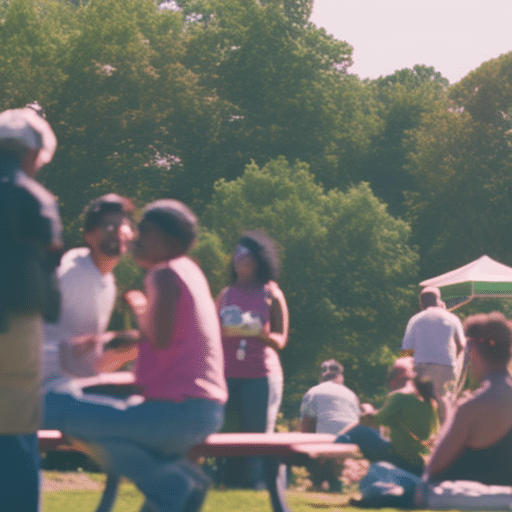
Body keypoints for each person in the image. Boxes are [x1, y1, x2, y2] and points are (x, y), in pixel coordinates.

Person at [44, 199, 228, 512]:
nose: (135, 237)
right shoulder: (190, 272)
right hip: (199, 411)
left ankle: (170, 481)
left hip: (177, 415)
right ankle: (181, 481)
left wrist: (111, 336)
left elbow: (157, 338)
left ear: (173, 242)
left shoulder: (164, 275)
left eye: (145, 231)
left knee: (54, 406)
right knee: (107, 434)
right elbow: (167, 350)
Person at [0, 107, 63, 511]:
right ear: (31, 152)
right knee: (17, 431)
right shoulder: (34, 198)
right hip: (17, 327)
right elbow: (49, 266)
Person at [42, 193, 136, 394]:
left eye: (123, 225)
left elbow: (87, 354)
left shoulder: (107, 281)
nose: (118, 230)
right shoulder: (72, 273)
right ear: (89, 236)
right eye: (109, 225)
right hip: (47, 385)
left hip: (74, 378)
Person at [217, 231, 289, 488]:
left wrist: (262, 334)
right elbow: (210, 332)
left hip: (260, 374)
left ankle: (256, 485)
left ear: (258, 260)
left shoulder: (271, 292)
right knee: (228, 432)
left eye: (244, 254)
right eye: (235, 253)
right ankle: (229, 483)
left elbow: (281, 340)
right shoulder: (226, 294)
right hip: (227, 373)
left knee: (255, 434)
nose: (237, 258)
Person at [424, 311, 512, 485]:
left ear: (473, 350)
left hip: (471, 491)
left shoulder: (472, 407)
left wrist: (451, 414)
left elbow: (434, 467)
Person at [336, 357, 438, 476]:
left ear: (395, 379)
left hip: (403, 460)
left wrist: (368, 409)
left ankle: (329, 460)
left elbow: (373, 421)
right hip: (422, 462)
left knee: (359, 432)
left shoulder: (400, 395)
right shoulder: (429, 400)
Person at [401, 286, 466, 422]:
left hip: (422, 367)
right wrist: (455, 361)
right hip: (447, 366)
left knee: (424, 403)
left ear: (421, 302)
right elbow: (462, 344)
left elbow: (406, 349)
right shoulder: (452, 318)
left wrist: (406, 371)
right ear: (438, 300)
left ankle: (428, 437)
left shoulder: (415, 319)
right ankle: (445, 436)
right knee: (445, 404)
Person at [300, 359, 361, 491]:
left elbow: (306, 426)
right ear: (340, 377)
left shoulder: (313, 392)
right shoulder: (351, 395)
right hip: (349, 444)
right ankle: (334, 482)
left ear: (322, 376)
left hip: (324, 446)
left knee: (312, 444)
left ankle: (319, 481)